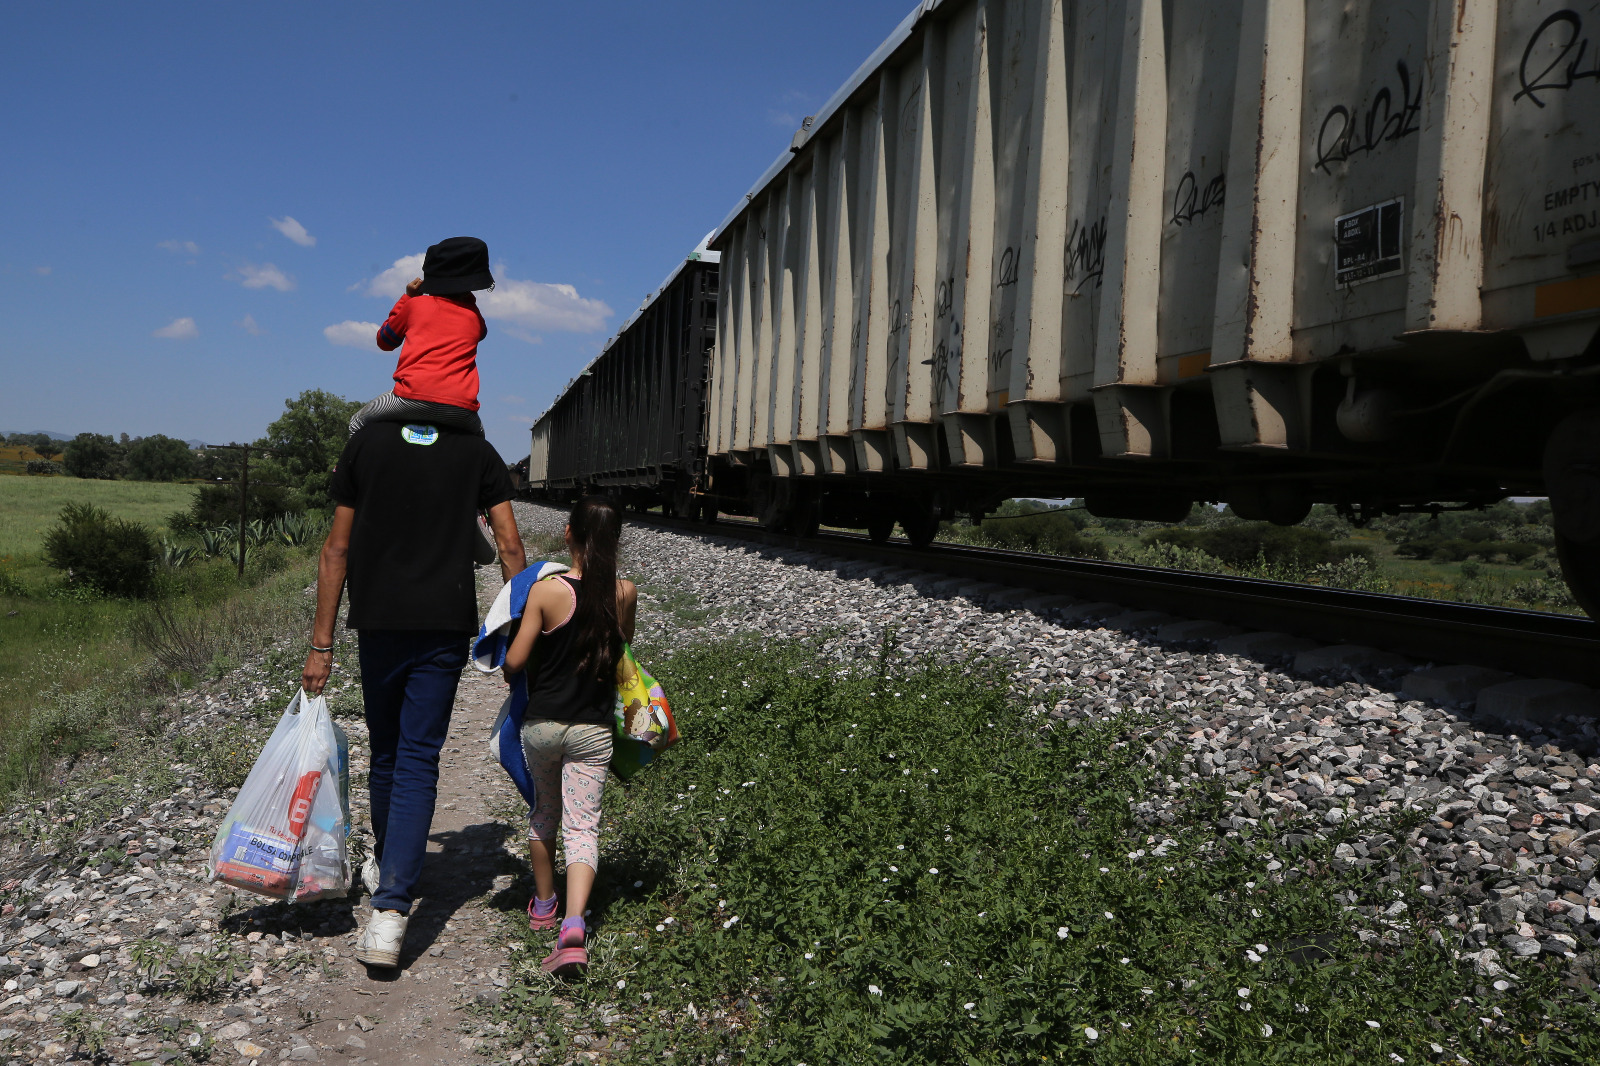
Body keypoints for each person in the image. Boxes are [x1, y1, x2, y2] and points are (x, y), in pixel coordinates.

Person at [301, 418, 527, 969]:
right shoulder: (478, 452)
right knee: (419, 758)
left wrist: (321, 645)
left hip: (378, 623)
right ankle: (392, 909)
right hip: (445, 624)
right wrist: (520, 634)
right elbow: (510, 547)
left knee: (387, 751)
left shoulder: (365, 445)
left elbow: (337, 551)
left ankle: (389, 875)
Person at [502, 496, 637, 977]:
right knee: (584, 826)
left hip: (543, 727)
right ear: (615, 539)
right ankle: (575, 926)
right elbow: (623, 644)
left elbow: (514, 662)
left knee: (544, 813)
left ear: (568, 534)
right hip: (593, 730)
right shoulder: (624, 592)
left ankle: (543, 906)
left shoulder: (547, 592)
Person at [348, 236, 495, 437]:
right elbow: (482, 334)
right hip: (460, 409)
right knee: (479, 440)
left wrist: (407, 298)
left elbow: (384, 341)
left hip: (408, 399)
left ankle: (344, 469)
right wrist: (468, 300)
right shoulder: (475, 317)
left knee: (356, 422)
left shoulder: (414, 306)